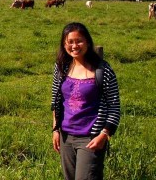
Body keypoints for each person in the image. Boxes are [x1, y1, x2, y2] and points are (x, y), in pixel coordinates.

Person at [51, 22, 121, 180]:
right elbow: (55, 101)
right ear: (64, 44)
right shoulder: (61, 67)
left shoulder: (102, 70)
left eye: (79, 41)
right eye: (70, 42)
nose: (74, 46)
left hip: (90, 138)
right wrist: (55, 129)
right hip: (66, 137)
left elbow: (114, 107)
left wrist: (104, 135)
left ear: (88, 42)